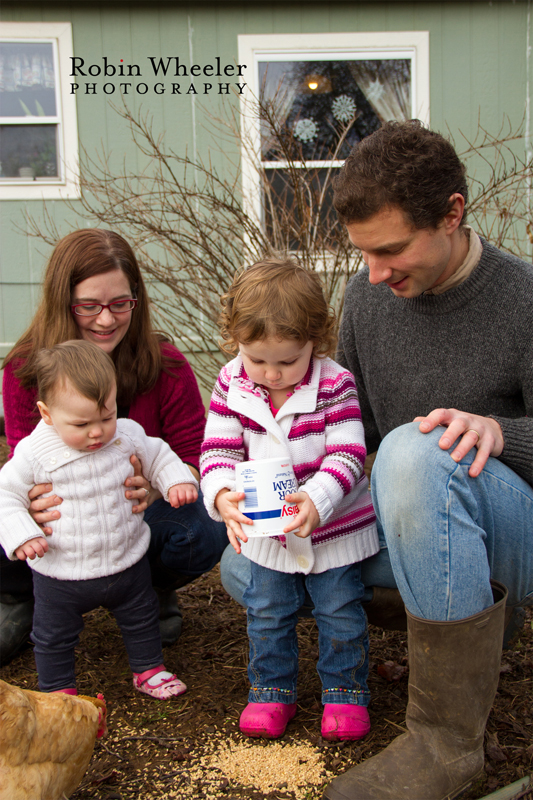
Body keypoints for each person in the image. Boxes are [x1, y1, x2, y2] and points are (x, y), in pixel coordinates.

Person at [318, 120, 533, 800]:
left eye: (390, 251)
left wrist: (499, 432)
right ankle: (452, 612)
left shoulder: (524, 298)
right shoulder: (364, 299)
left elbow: (405, 447)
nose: (375, 275)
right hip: (426, 523)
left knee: (417, 450)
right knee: (249, 563)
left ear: (450, 213)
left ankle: (447, 746)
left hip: (516, 529)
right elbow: (357, 432)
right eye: (363, 256)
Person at [0, 228, 227, 666]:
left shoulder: (166, 365)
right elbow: (21, 461)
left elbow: (197, 457)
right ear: (63, 301)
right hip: (58, 527)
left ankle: (147, 588)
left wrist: (160, 487)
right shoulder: (29, 367)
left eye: (120, 303)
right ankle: (22, 595)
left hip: (134, 519)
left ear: (136, 299)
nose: (106, 319)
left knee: (203, 527)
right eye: (89, 305)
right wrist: (27, 506)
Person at [200, 258, 379, 741]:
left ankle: (345, 695)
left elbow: (349, 453)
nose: (272, 374)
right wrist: (221, 497)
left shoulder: (334, 383)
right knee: (267, 612)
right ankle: (270, 692)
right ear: (237, 340)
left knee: (339, 611)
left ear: (314, 343)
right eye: (258, 360)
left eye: (287, 361)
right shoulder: (232, 382)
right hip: (265, 531)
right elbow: (217, 450)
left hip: (332, 529)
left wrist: (318, 499)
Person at [0, 340, 197, 698]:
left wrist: (176, 480)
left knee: (141, 616)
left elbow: (159, 456)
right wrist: (21, 532)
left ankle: (148, 668)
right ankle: (59, 691)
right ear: (47, 414)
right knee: (53, 635)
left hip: (126, 560)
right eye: (82, 423)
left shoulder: (125, 434)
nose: (97, 432)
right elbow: (6, 494)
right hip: (62, 572)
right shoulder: (34, 451)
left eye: (106, 416)